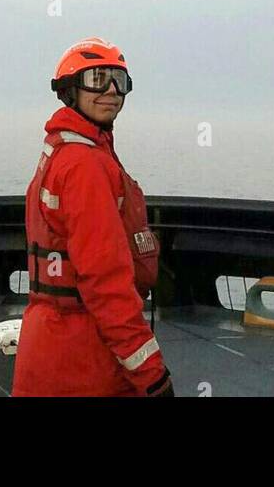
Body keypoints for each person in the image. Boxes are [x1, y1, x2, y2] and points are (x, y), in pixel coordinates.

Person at [12, 38, 173, 397]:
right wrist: (152, 375)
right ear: (70, 90)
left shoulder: (63, 150)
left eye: (120, 80)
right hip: (84, 356)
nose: (112, 91)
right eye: (98, 79)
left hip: (49, 345)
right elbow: (106, 285)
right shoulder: (86, 166)